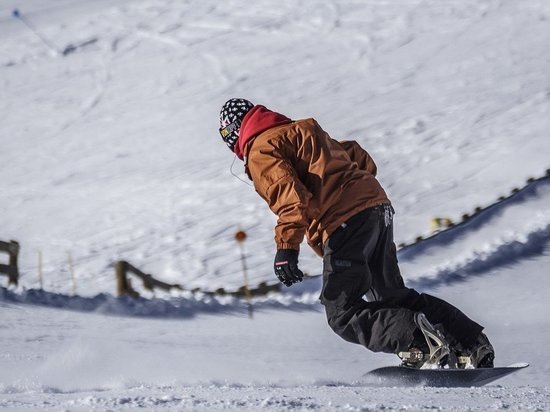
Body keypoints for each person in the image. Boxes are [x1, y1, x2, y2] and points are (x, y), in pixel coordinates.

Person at [218, 98, 495, 369]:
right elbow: (357, 154)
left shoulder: (261, 149)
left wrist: (286, 249)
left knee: (341, 311)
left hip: (345, 221)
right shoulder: (302, 130)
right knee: (391, 297)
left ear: (233, 131)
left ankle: (421, 342)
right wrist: (355, 189)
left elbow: (291, 199)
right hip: (376, 208)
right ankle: (471, 345)